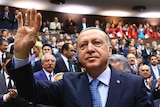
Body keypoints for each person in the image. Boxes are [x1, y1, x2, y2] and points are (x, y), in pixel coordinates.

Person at [7, 9, 152, 107]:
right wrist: (21, 54)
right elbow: (30, 91)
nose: (89, 49)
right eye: (83, 45)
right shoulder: (68, 83)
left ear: (109, 50)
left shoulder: (134, 84)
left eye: (96, 43)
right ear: (77, 54)